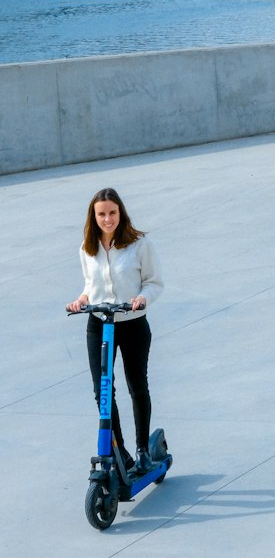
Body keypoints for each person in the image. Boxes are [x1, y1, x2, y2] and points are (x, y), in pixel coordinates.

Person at [67, 188, 164, 474]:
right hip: (99, 324)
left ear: (120, 213)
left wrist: (143, 298)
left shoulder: (139, 244)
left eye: (112, 212)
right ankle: (119, 450)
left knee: (137, 386)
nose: (107, 219)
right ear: (93, 217)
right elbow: (89, 285)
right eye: (101, 214)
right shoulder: (88, 247)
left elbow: (154, 282)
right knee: (103, 391)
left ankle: (142, 450)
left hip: (132, 322)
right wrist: (82, 299)